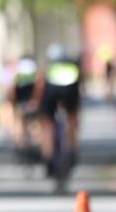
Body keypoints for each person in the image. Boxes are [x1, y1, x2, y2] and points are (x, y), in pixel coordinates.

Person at [29, 43, 82, 177]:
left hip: (51, 92)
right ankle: (72, 150)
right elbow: (80, 87)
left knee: (47, 124)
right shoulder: (72, 67)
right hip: (70, 91)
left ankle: (48, 157)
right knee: (72, 119)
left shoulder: (48, 68)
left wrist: (35, 102)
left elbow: (40, 86)